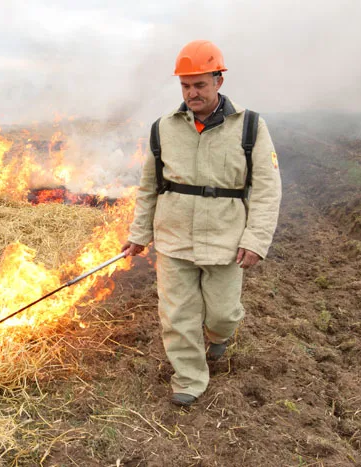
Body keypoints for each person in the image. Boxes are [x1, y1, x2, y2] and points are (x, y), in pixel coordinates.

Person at [122, 40, 282, 407]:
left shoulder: (251, 127)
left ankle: (217, 336)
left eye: (200, 85)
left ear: (218, 81)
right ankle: (190, 377)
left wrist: (256, 239)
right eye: (185, 86)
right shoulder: (163, 128)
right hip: (174, 237)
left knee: (223, 314)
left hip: (225, 239)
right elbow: (149, 187)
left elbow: (267, 189)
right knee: (177, 315)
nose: (192, 93)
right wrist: (139, 235)